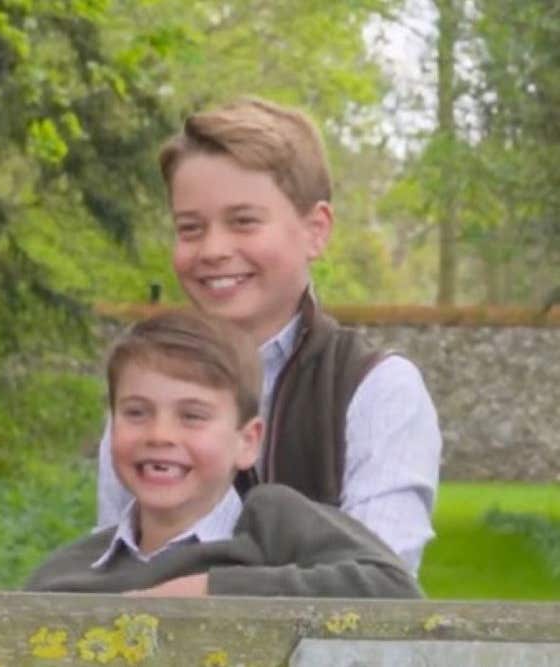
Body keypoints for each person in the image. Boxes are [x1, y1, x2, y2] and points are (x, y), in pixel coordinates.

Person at [96, 98, 442, 576]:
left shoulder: (376, 391)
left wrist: (203, 595)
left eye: (244, 221)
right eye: (190, 228)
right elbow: (114, 567)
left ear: (315, 230)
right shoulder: (149, 395)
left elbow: (380, 589)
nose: (213, 250)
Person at [27, 310, 421, 598]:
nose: (160, 434)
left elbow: (393, 588)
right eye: (136, 413)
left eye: (192, 416)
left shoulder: (270, 524)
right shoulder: (65, 577)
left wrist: (211, 589)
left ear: (247, 441)